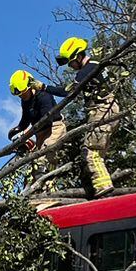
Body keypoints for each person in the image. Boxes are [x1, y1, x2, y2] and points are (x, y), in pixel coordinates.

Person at [47, 36, 117, 197]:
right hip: (110, 110)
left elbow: (68, 91)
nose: (70, 67)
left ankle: (104, 189)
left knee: (90, 151)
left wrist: (45, 87)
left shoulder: (87, 70)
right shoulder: (97, 66)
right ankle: (96, 189)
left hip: (102, 111)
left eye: (71, 62)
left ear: (78, 56)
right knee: (98, 154)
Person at [6, 70, 65, 157]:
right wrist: (18, 129)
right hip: (39, 133)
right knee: (36, 161)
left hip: (54, 129)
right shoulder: (25, 101)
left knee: (48, 153)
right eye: (20, 95)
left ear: (30, 87)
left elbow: (46, 120)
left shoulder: (43, 95)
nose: (22, 96)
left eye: (23, 93)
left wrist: (27, 134)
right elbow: (26, 119)